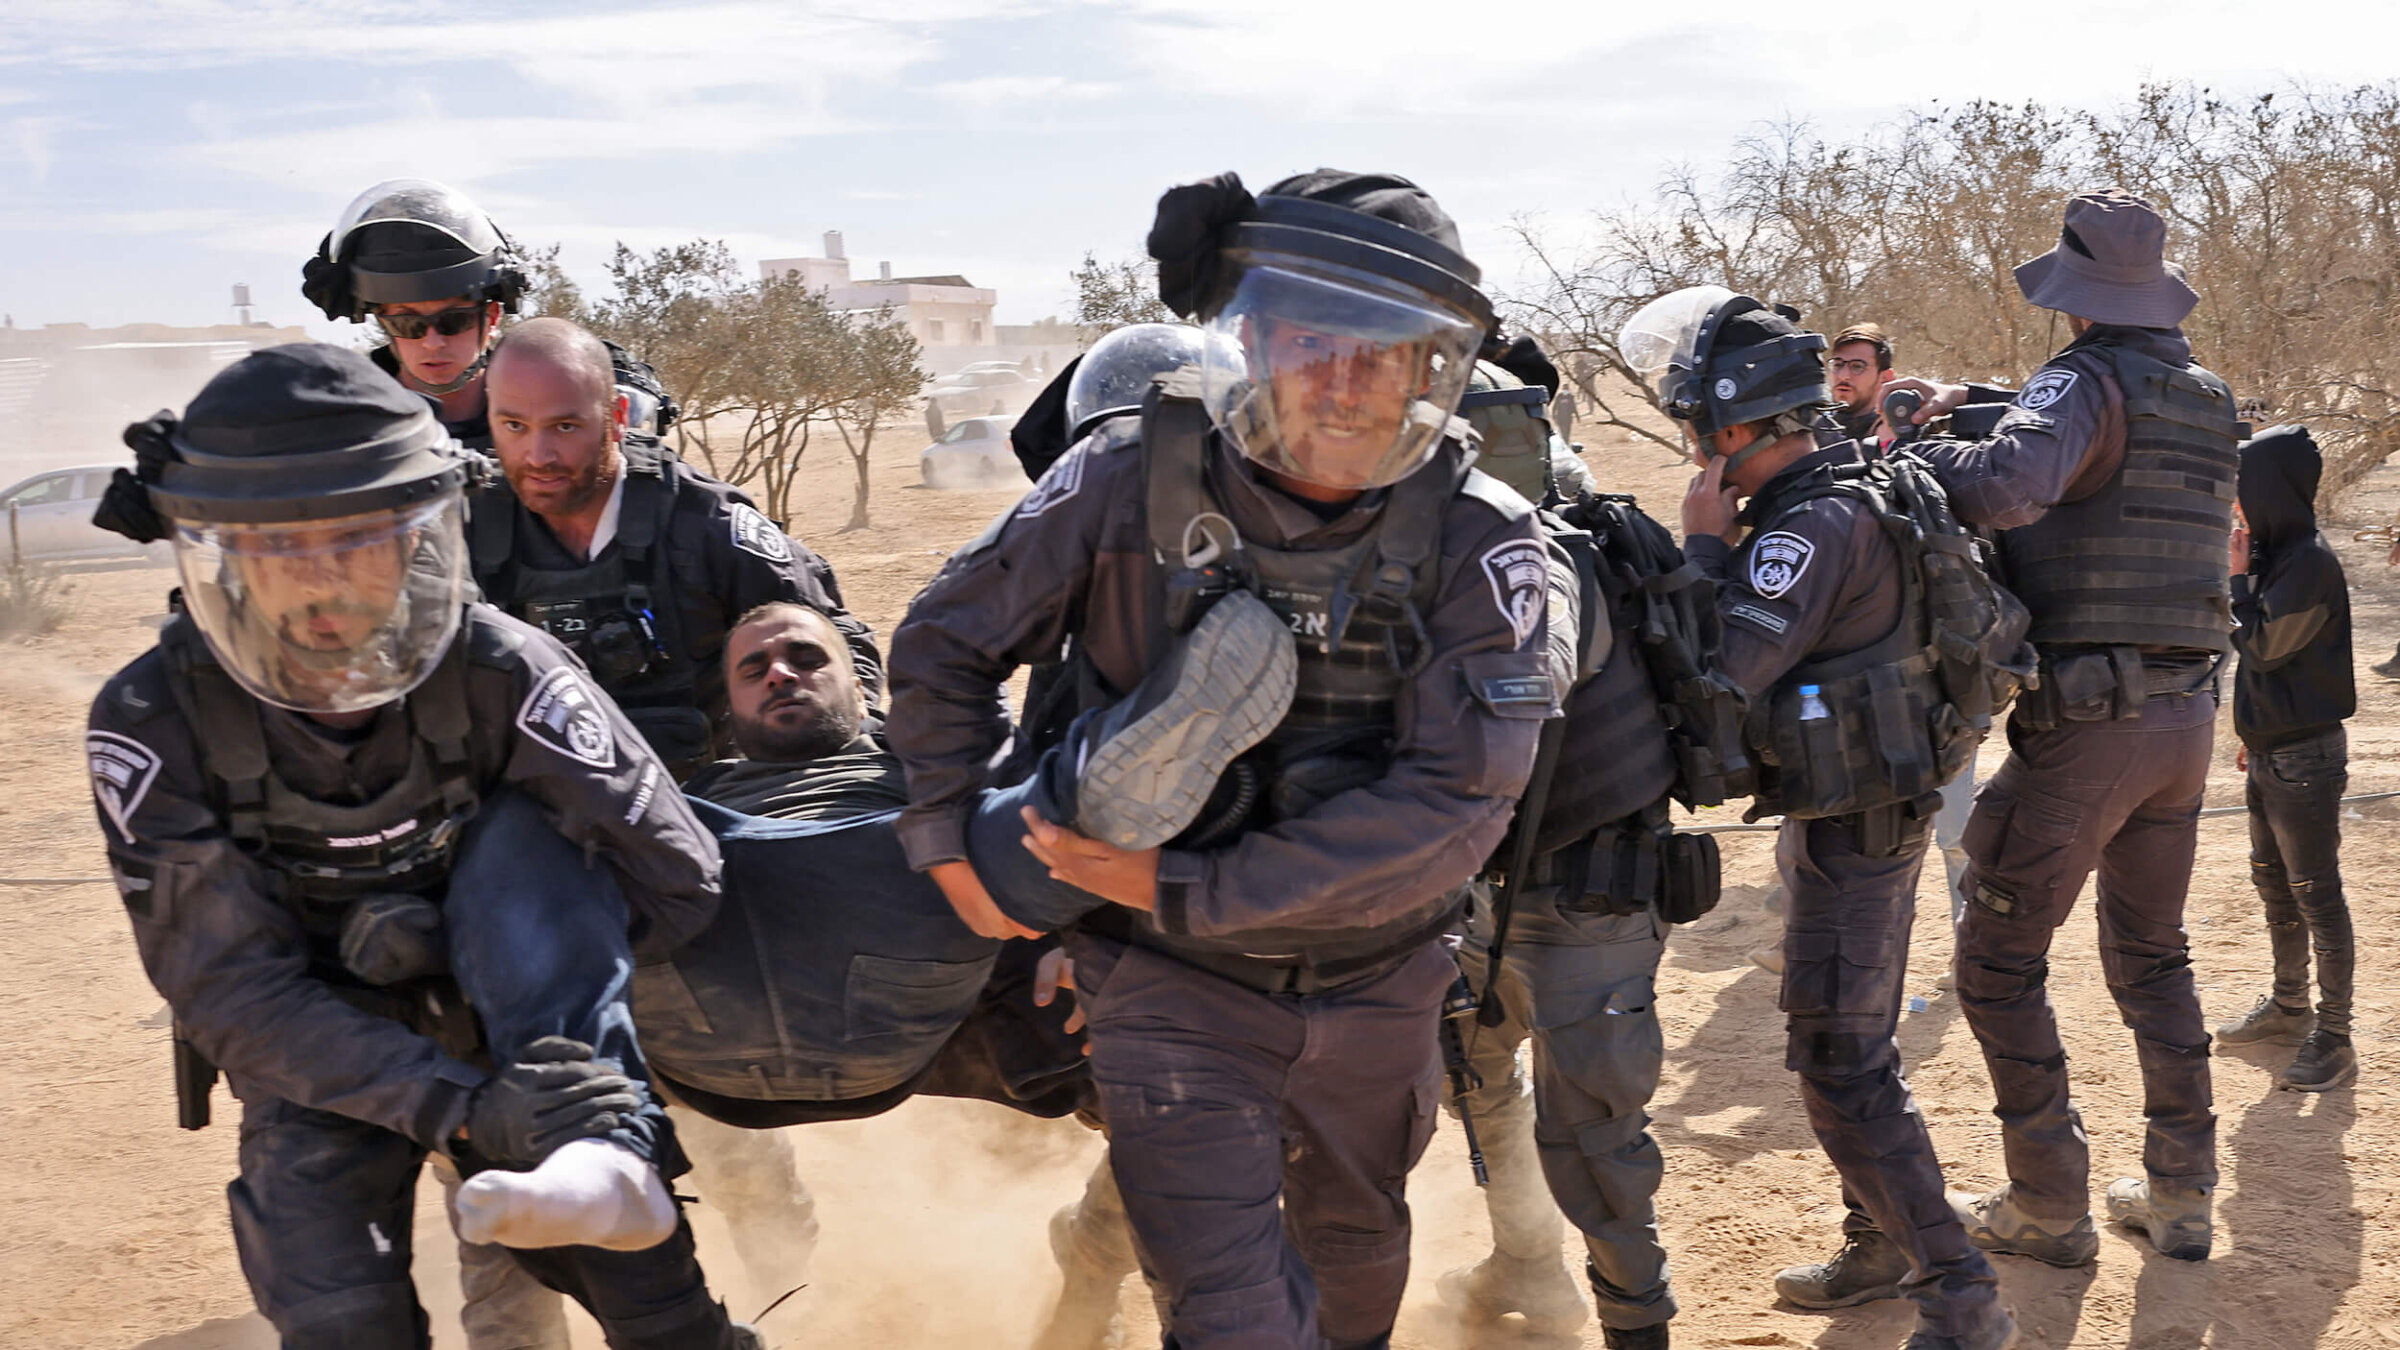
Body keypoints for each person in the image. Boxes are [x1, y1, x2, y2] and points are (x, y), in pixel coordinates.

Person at [887, 169, 1552, 1349]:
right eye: (1314, 340)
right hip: (1168, 988)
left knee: (1354, 1266)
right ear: (1249, 335)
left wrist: (1179, 882)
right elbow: (944, 644)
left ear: (1431, 368)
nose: (1344, 383)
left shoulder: (1481, 531)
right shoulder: (1125, 478)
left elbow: (1459, 803)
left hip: (1376, 978)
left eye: (1384, 351)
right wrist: (950, 838)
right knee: (1231, 1313)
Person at [82, 343, 756, 1350]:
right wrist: (461, 1106)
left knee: (650, 1293)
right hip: (319, 1044)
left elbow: (676, 874)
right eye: (280, 550)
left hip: (532, 1034)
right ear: (219, 556)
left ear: (421, 540)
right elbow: (230, 994)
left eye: (358, 539)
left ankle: (602, 1154)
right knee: (337, 1305)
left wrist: (496, 971)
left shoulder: (506, 668)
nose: (324, 581)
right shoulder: (151, 719)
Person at [1634, 286, 2017, 1350]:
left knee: (1842, 1062)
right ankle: (1881, 1243)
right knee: (1855, 1049)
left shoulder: (1806, 527)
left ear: (1734, 429)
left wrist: (1704, 547)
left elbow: (1720, 672)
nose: (1697, 449)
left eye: (1700, 431)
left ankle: (1962, 1297)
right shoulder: (1864, 481)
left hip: (1859, 821)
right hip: (1866, 800)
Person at [1892, 188, 2241, 1264]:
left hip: (2089, 727)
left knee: (1996, 963)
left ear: (2076, 295)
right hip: (2183, 722)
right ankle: (2181, 1194)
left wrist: (1920, 453)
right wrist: (1986, 397)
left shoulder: (2077, 379)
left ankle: (2048, 1204)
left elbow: (2013, 484)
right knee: (2155, 955)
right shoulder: (2207, 391)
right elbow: (2103, 441)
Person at [1432, 369, 1742, 1348]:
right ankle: (1527, 1261)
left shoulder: (1544, 560)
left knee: (1596, 1143)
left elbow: (1535, 675)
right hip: (1487, 895)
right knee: (1473, 1074)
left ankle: (1634, 1326)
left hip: (1585, 906)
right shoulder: (1475, 555)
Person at [471, 317, 883, 778]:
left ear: (618, 418)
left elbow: (837, 641)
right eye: (513, 425)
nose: (538, 455)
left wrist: (836, 765)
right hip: (536, 808)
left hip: (706, 807)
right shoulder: (464, 526)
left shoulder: (706, 526)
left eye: (565, 427)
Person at [2217, 424, 2357, 1091]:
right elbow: (2263, 668)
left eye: (2243, 488)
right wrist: (2252, 731)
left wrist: (2237, 581)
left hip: (2307, 760)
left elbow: (2266, 647)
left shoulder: (2309, 562)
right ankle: (2289, 1006)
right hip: (2271, 751)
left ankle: (2334, 1036)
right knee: (2274, 887)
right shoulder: (2277, 554)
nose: (2235, 504)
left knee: (2315, 895)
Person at [1828, 323, 1898, 445]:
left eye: (1857, 366)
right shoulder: (1812, 429)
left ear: (1885, 378)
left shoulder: (1898, 433)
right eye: (1838, 365)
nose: (1843, 375)